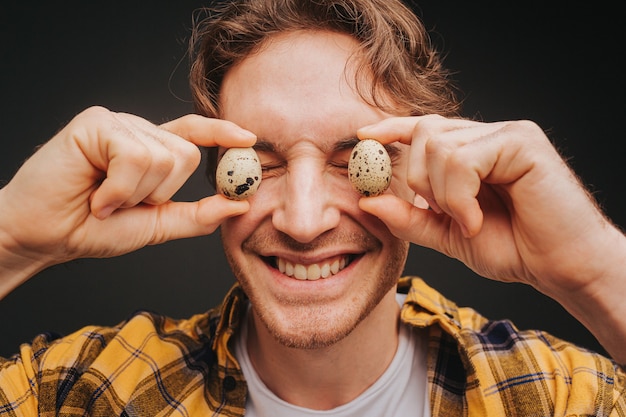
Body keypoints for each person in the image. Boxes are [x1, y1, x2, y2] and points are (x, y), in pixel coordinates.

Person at [0, 0, 624, 415]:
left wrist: (595, 272)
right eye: (259, 165)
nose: (303, 221)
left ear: (423, 169)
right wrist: (10, 240)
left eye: (352, 160)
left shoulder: (556, 393)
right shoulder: (89, 391)